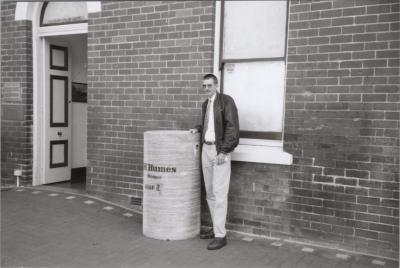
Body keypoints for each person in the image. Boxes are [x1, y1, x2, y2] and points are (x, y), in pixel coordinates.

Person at [191, 73, 240, 250]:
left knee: (219, 194)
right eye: (204, 86)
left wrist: (224, 151)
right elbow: (210, 127)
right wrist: (197, 129)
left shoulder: (226, 101)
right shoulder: (206, 104)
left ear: (216, 85)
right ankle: (216, 228)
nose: (206, 88)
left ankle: (221, 235)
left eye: (209, 85)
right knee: (210, 193)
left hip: (220, 152)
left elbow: (232, 128)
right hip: (206, 149)